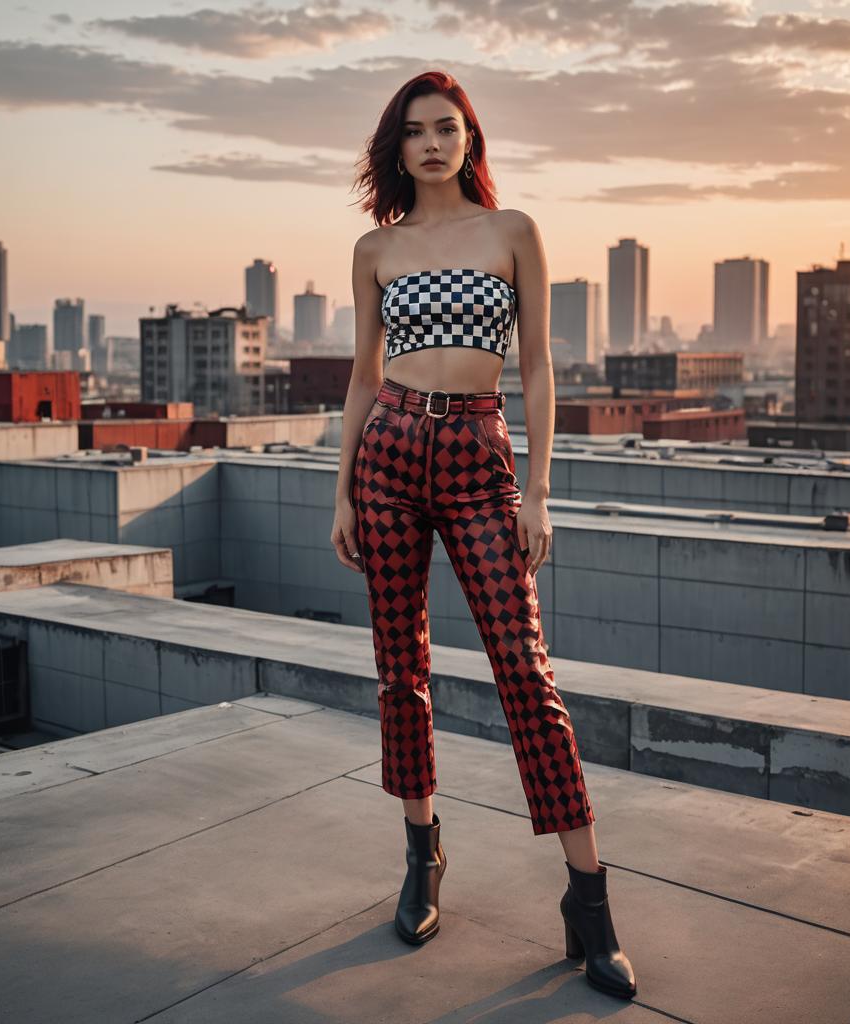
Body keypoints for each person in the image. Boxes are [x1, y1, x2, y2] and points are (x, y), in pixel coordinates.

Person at [330, 69, 637, 1000]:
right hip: (387, 453)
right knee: (401, 668)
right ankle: (422, 854)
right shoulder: (376, 248)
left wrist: (537, 491)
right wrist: (341, 493)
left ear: (469, 140)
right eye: (415, 131)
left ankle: (589, 900)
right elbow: (362, 375)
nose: (432, 144)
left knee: (525, 672)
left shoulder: (514, 233)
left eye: (447, 128)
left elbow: (537, 366)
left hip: (478, 455)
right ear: (397, 146)